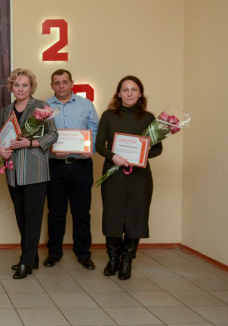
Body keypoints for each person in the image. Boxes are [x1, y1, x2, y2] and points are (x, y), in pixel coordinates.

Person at [96, 75, 162, 280]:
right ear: (119, 93)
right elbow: (99, 145)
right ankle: (113, 259)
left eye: (134, 89)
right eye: (125, 90)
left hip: (139, 177)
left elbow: (157, 148)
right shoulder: (108, 116)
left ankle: (126, 261)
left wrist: (141, 156)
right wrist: (113, 157)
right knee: (113, 216)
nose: (129, 93)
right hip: (113, 175)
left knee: (136, 217)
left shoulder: (148, 118)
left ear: (140, 93)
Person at [0, 68, 58, 279]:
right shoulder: (6, 110)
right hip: (13, 172)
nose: (20, 89)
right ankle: (31, 257)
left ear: (31, 87)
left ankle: (26, 260)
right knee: (21, 217)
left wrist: (30, 143)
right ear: (11, 87)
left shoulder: (41, 106)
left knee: (33, 218)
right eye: (16, 85)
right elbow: (0, 137)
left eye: (25, 85)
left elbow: (53, 134)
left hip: (34, 170)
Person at [44, 69, 99, 270]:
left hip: (81, 166)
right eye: (57, 82)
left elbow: (95, 131)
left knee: (81, 213)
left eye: (65, 82)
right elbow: (40, 134)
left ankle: (83, 254)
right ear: (52, 85)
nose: (61, 86)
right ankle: (54, 253)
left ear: (72, 83)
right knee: (55, 213)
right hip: (55, 166)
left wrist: (90, 149)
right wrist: (50, 149)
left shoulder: (86, 105)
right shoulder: (44, 107)